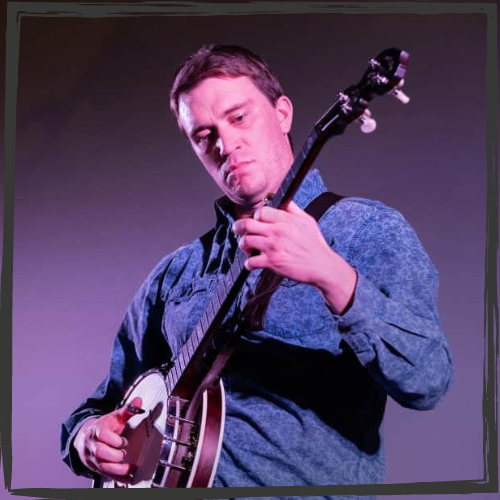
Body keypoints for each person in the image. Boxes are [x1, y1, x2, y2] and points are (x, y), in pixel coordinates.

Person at [60, 44, 453, 494]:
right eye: (204, 135)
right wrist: (86, 439)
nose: (226, 145)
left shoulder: (365, 230)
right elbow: (100, 407)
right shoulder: (175, 274)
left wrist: (330, 273)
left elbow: (428, 380)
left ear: (282, 113)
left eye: (239, 118)